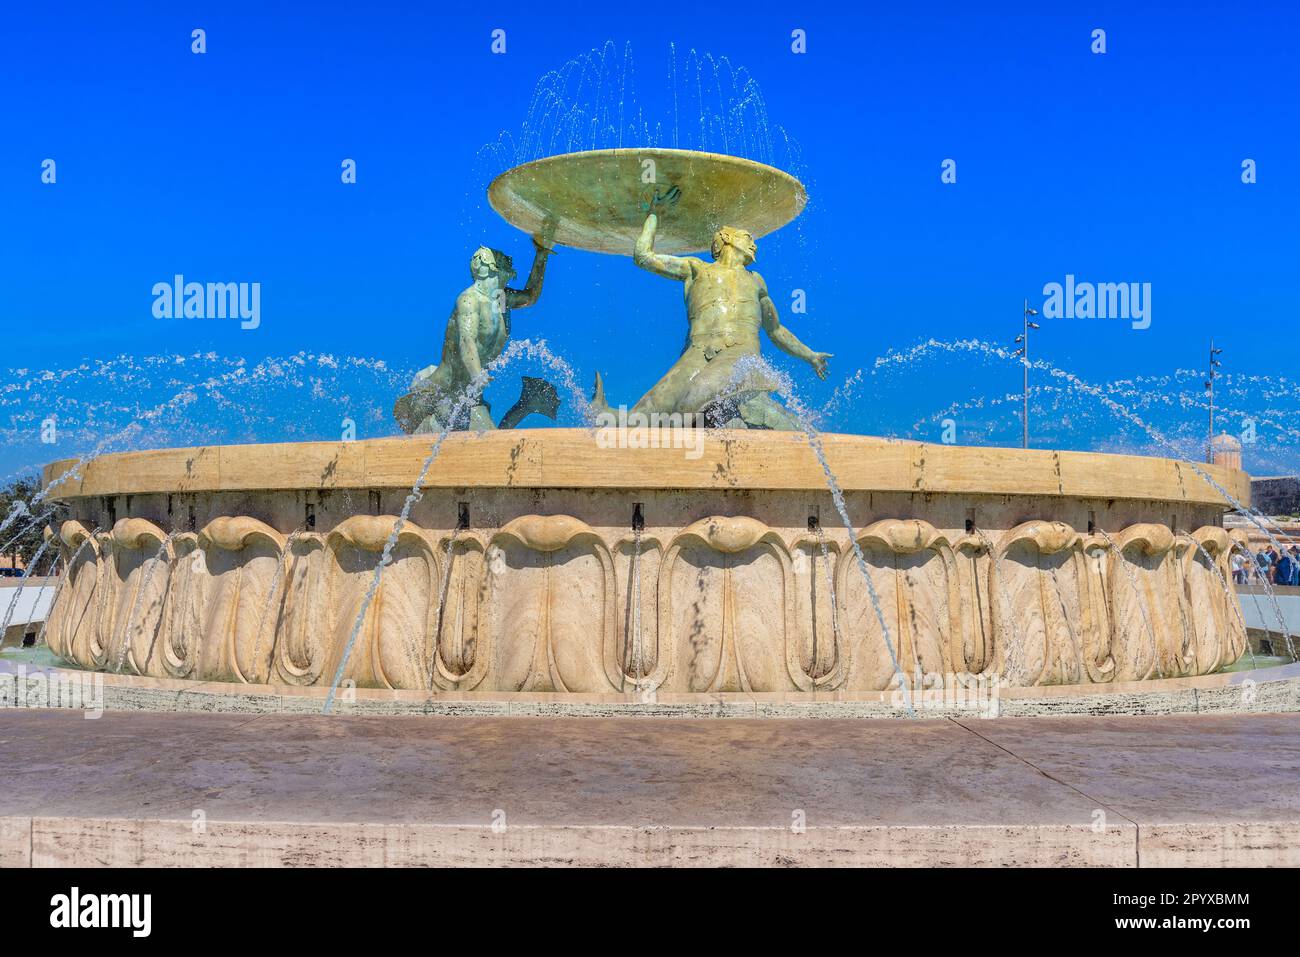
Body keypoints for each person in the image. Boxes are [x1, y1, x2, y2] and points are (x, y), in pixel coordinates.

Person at [597, 199, 832, 429]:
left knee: (690, 401)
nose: (755, 244)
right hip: (696, 352)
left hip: (739, 354)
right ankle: (604, 414)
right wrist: (653, 215)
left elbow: (775, 329)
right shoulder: (696, 269)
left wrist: (810, 355)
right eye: (748, 238)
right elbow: (643, 257)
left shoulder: (757, 281)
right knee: (648, 411)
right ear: (727, 238)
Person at [394, 235, 552, 433]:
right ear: (486, 267)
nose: (509, 260)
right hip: (445, 393)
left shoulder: (500, 299)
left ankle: (527, 403)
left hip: (470, 395)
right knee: (490, 442)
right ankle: (526, 404)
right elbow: (467, 340)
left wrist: (541, 255)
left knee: (492, 441)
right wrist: (477, 375)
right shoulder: (469, 300)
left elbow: (530, 297)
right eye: (501, 258)